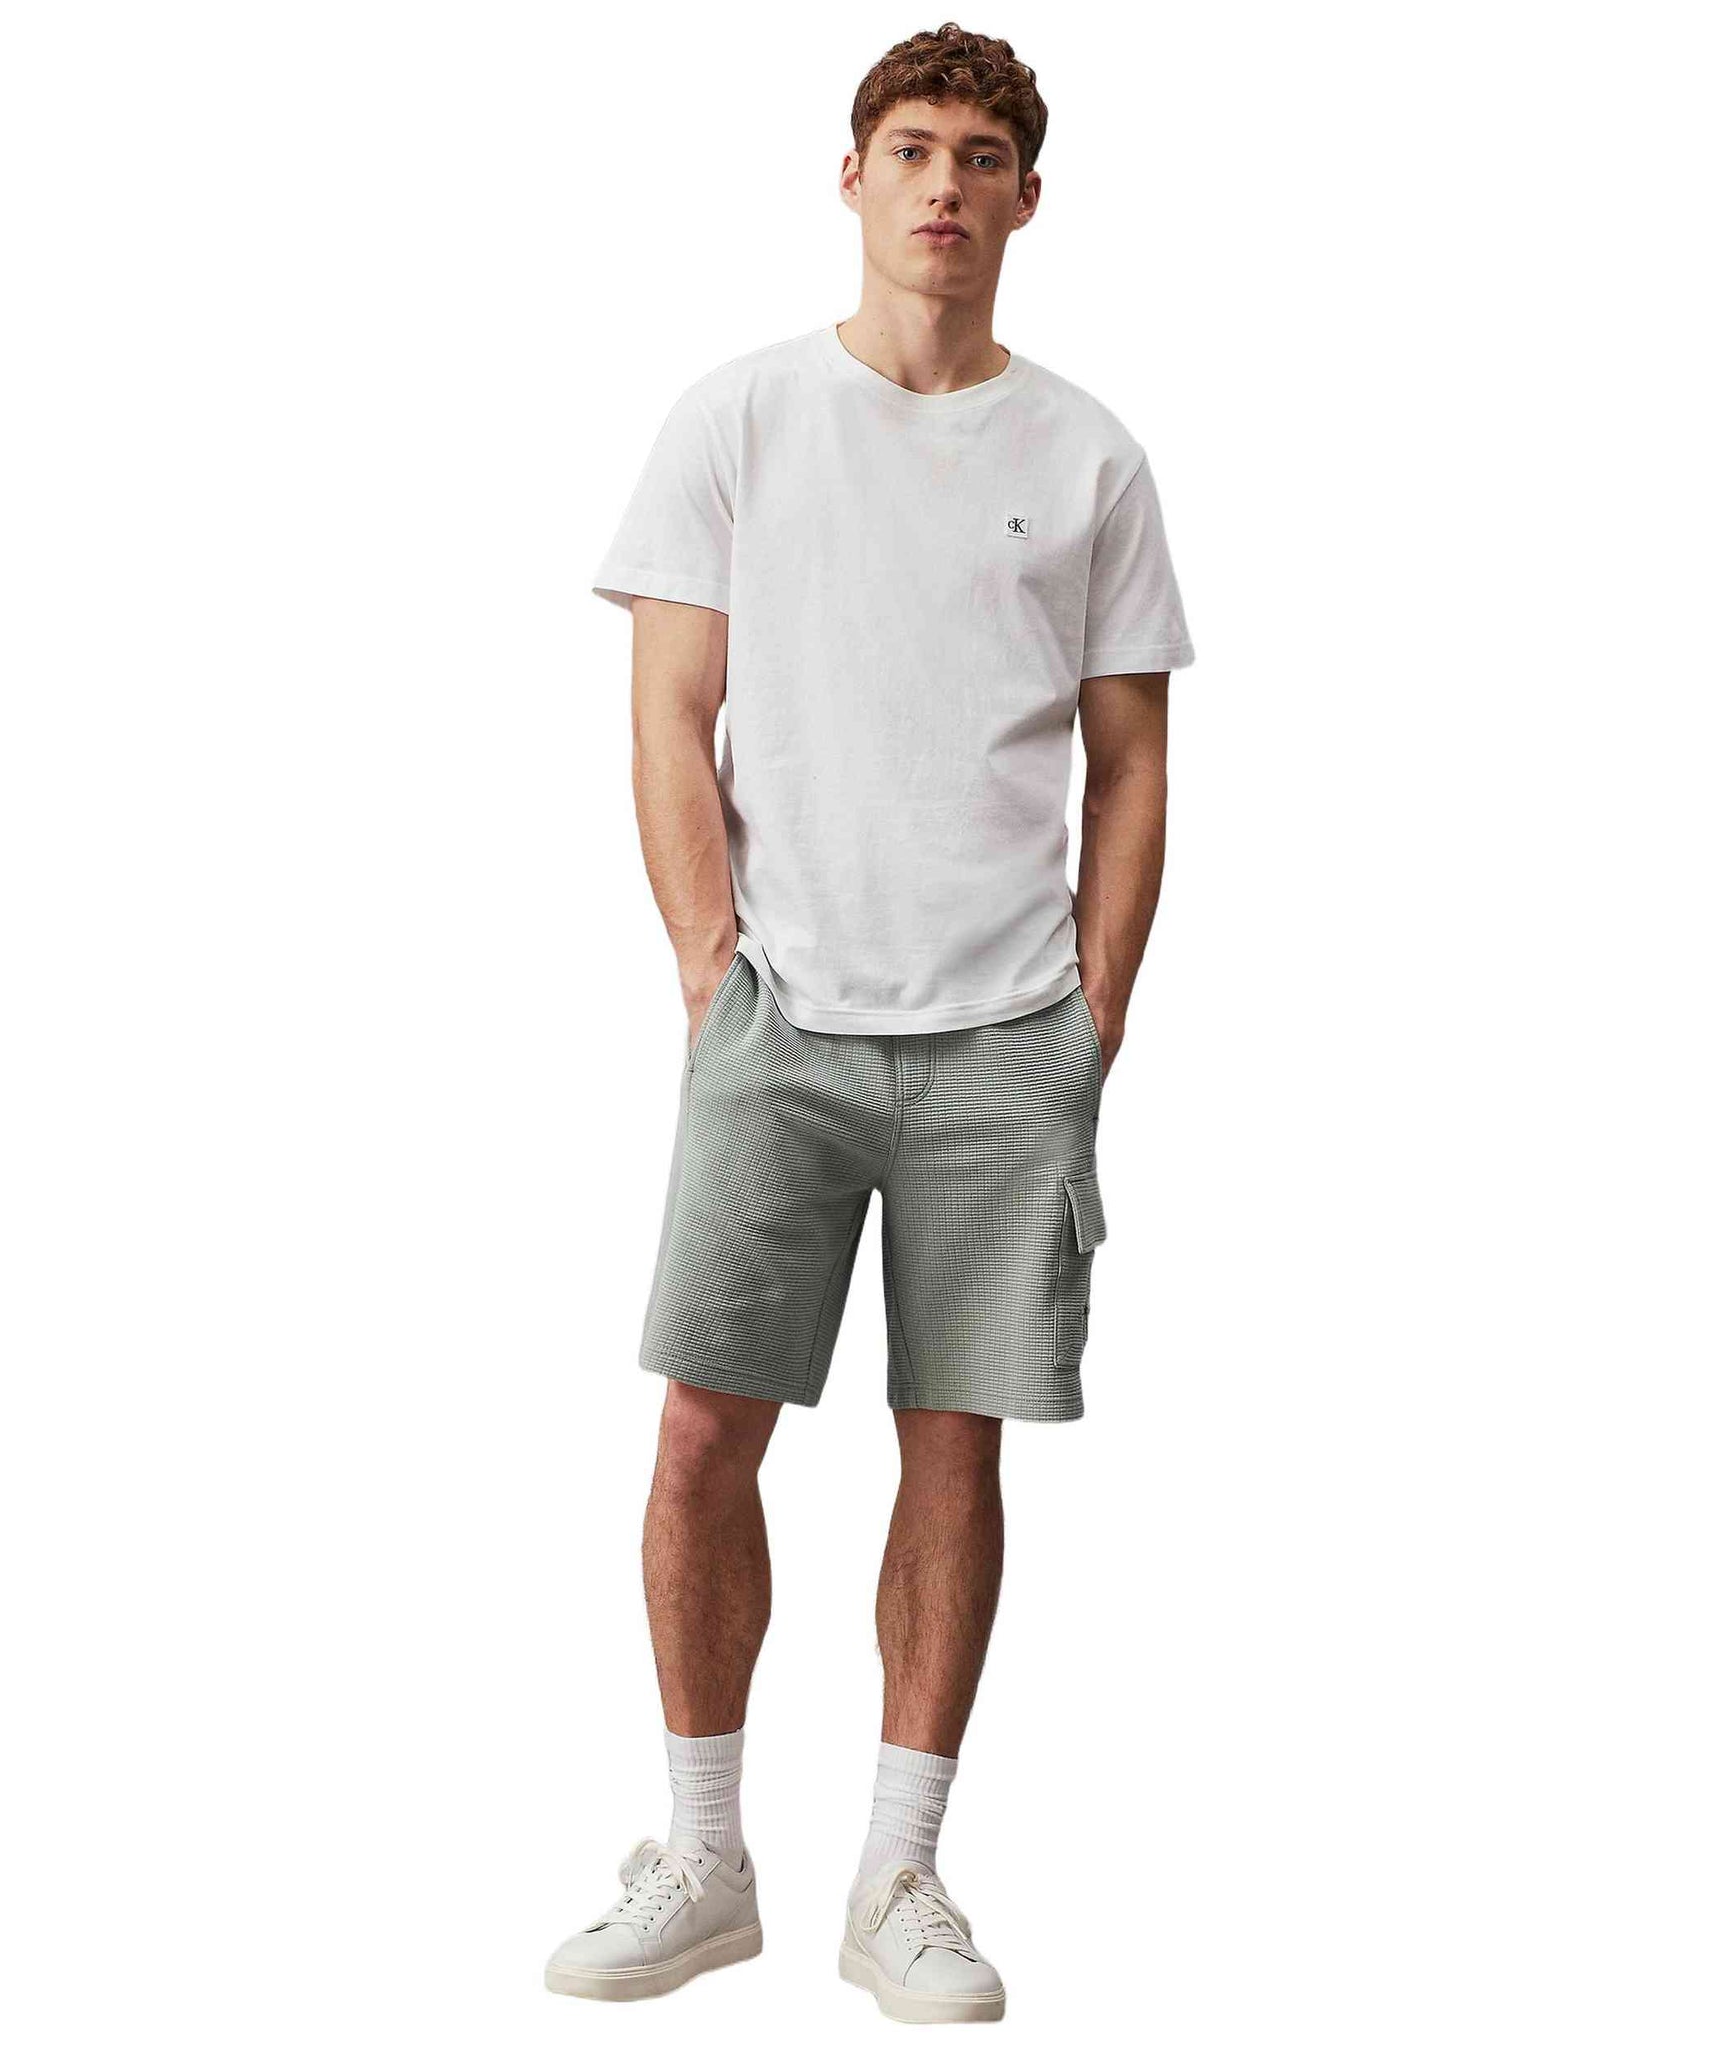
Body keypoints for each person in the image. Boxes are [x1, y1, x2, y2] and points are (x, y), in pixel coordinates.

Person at [546, 21, 1193, 2024]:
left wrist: (1094, 1011)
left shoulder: (1089, 455)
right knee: (698, 1434)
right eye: (910, 148)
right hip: (784, 1022)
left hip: (1007, 1036)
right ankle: (704, 1856)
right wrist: (705, 962)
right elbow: (670, 710)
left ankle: (898, 1876)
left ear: (1026, 198)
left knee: (955, 1447)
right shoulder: (739, 419)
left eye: (981, 157)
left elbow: (1132, 759)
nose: (943, 187)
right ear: (851, 177)